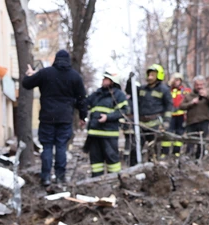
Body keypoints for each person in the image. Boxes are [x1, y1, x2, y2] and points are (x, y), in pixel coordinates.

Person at [22, 49, 87, 186]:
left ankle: (45, 177)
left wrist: (30, 74)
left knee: (47, 146)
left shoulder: (45, 73)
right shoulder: (75, 76)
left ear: (55, 60)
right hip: (65, 118)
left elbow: (27, 84)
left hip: (47, 117)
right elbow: (82, 99)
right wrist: (83, 116)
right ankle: (60, 177)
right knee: (61, 146)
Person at [84, 68, 129, 176]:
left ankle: (114, 179)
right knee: (96, 161)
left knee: (112, 159)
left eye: (106, 79)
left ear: (113, 81)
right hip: (94, 134)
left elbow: (123, 111)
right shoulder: (97, 94)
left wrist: (108, 117)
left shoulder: (118, 95)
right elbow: (86, 104)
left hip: (109, 134)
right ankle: (96, 180)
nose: (103, 80)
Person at [132, 63, 173, 162]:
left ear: (159, 75)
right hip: (140, 124)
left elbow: (169, 106)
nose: (150, 77)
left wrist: (166, 121)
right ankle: (134, 167)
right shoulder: (142, 89)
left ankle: (153, 166)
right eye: (149, 74)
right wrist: (130, 81)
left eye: (153, 75)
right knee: (135, 148)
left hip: (155, 124)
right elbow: (131, 94)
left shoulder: (164, 90)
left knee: (153, 149)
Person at [180, 75, 209, 158]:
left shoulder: (208, 92)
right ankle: (188, 156)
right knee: (190, 141)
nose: (199, 87)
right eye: (197, 85)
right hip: (191, 122)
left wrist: (206, 96)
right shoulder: (189, 95)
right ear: (194, 85)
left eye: (201, 84)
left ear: (204, 84)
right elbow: (181, 106)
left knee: (201, 141)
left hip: (204, 121)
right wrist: (191, 103)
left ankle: (199, 157)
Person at [167, 72, 191, 156]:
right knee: (168, 132)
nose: (176, 82)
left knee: (179, 133)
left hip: (181, 115)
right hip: (170, 115)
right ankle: (165, 151)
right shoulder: (168, 90)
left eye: (178, 80)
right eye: (175, 80)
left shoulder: (185, 91)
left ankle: (176, 151)